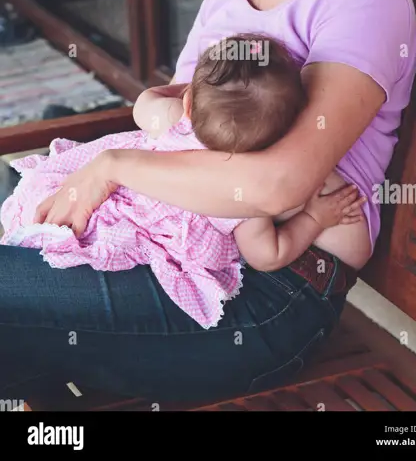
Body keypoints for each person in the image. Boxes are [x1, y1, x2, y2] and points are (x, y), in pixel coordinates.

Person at [0, 0, 416, 407]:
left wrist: (114, 166)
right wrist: (155, 118)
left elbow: (276, 182)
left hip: (262, 292)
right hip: (168, 231)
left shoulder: (363, 0)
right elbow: (176, 110)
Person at [0, 34, 365, 330]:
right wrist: (314, 218)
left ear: (189, 103)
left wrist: (193, 94)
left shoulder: (175, 120)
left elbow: (146, 101)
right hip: (119, 240)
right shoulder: (243, 199)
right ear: (284, 137)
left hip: (84, 205)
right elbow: (267, 255)